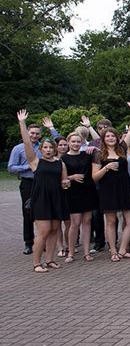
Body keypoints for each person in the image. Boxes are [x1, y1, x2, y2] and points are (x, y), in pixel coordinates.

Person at [15, 110, 69, 272]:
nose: (48, 150)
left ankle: (49, 260)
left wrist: (66, 183)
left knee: (54, 230)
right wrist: (22, 123)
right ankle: (36, 263)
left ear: (54, 149)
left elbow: (64, 181)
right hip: (41, 199)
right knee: (44, 231)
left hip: (56, 198)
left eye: (50, 147)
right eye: (45, 147)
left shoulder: (60, 163)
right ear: (41, 149)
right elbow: (27, 144)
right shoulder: (35, 162)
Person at [92, 103, 130, 262]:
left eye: (113, 136)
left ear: (117, 137)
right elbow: (94, 177)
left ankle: (123, 248)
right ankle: (113, 251)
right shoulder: (99, 155)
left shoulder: (122, 149)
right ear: (103, 139)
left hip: (124, 188)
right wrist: (106, 168)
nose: (110, 138)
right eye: (107, 136)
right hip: (108, 190)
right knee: (111, 221)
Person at [62, 131, 98, 263]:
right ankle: (70, 252)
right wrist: (71, 177)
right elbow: (60, 178)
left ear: (82, 142)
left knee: (87, 221)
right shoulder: (63, 158)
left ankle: (87, 252)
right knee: (74, 223)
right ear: (68, 143)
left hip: (88, 191)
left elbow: (101, 150)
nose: (76, 144)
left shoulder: (87, 155)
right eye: (73, 141)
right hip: (73, 192)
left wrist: (94, 147)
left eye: (78, 141)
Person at [8, 119, 43, 254]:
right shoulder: (18, 149)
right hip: (27, 182)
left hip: (41, 182)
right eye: (32, 133)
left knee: (42, 212)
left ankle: (42, 240)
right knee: (27, 212)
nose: (34, 136)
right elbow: (11, 168)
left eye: (37, 134)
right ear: (27, 133)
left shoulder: (43, 147)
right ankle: (28, 242)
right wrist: (27, 167)